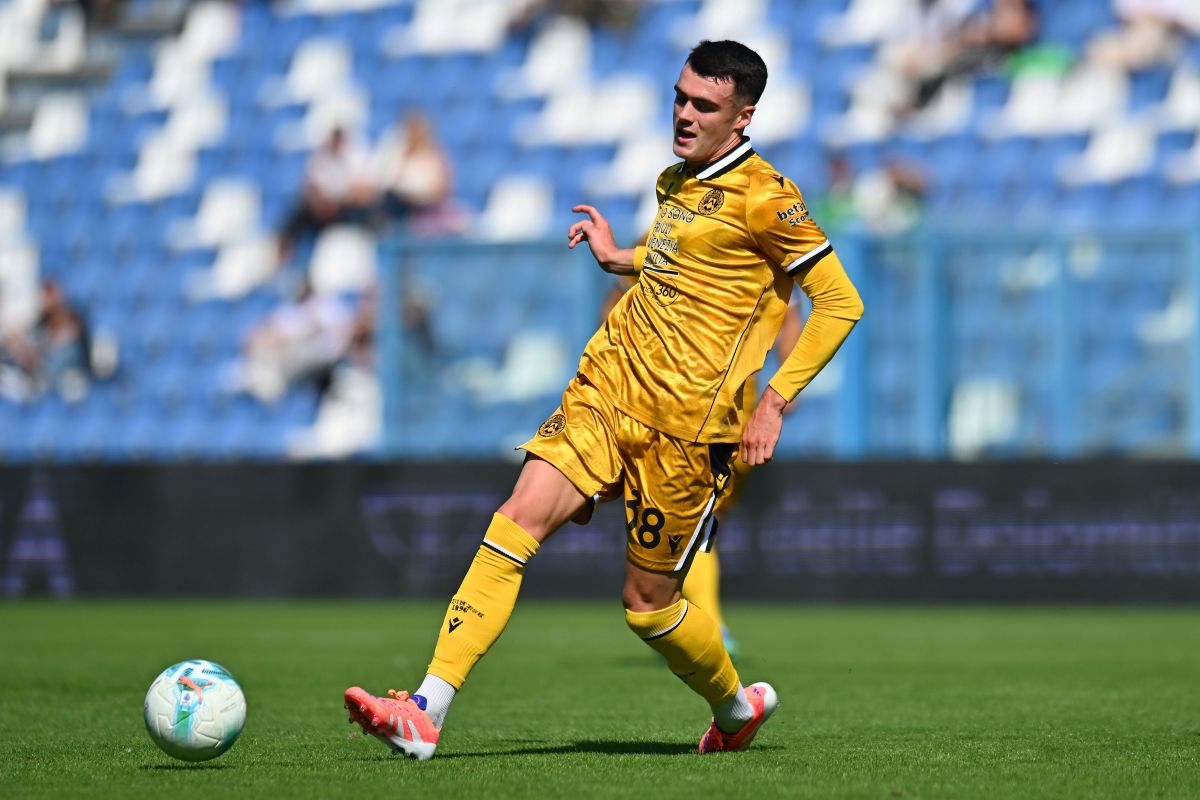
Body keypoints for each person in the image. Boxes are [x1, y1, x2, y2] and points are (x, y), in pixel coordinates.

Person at [343, 39, 864, 760]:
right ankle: (426, 710)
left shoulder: (768, 197)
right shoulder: (676, 181)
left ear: (742, 117)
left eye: (704, 105)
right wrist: (621, 257)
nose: (684, 114)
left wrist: (773, 402)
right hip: (608, 390)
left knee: (647, 608)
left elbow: (840, 301)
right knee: (514, 521)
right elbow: (683, 262)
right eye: (680, 97)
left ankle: (734, 707)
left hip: (687, 431)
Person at [597, 281, 805, 660]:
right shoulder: (753, 251)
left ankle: (691, 623)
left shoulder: (749, 255)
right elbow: (790, 314)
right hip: (706, 407)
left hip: (710, 407)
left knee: (696, 522)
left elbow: (612, 308)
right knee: (699, 521)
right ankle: (701, 623)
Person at [275, 126, 376, 267]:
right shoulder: (320, 158)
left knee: (368, 216)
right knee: (295, 216)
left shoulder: (354, 158)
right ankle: (282, 260)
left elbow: (364, 192)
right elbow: (310, 187)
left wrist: (339, 202)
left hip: (344, 209)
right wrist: (321, 204)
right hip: (321, 209)